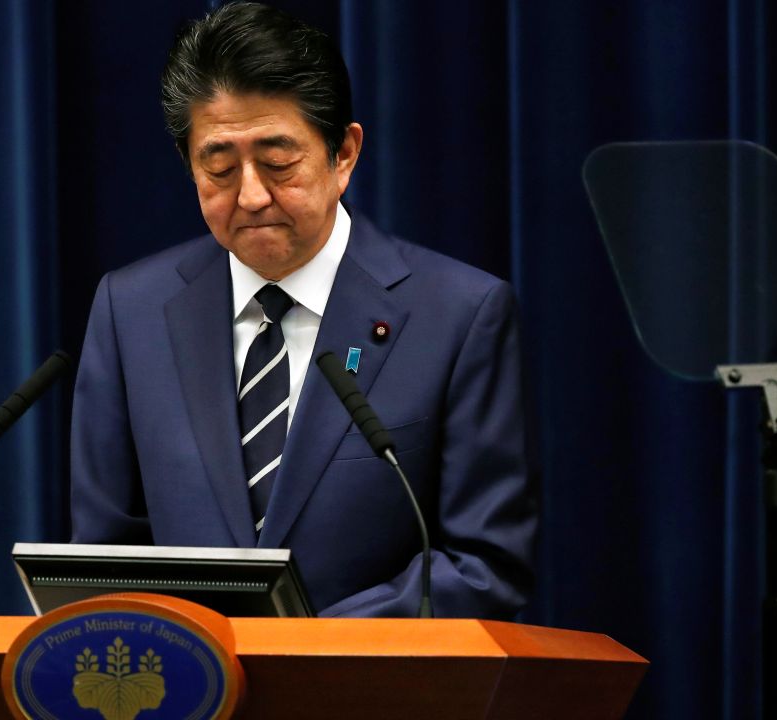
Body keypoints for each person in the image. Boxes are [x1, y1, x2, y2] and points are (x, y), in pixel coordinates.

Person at [70, 1, 536, 618]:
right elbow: (104, 557)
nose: (253, 195)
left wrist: (304, 647)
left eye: (278, 162)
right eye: (219, 166)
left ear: (343, 153)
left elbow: (486, 566)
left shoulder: (460, 314)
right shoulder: (131, 310)